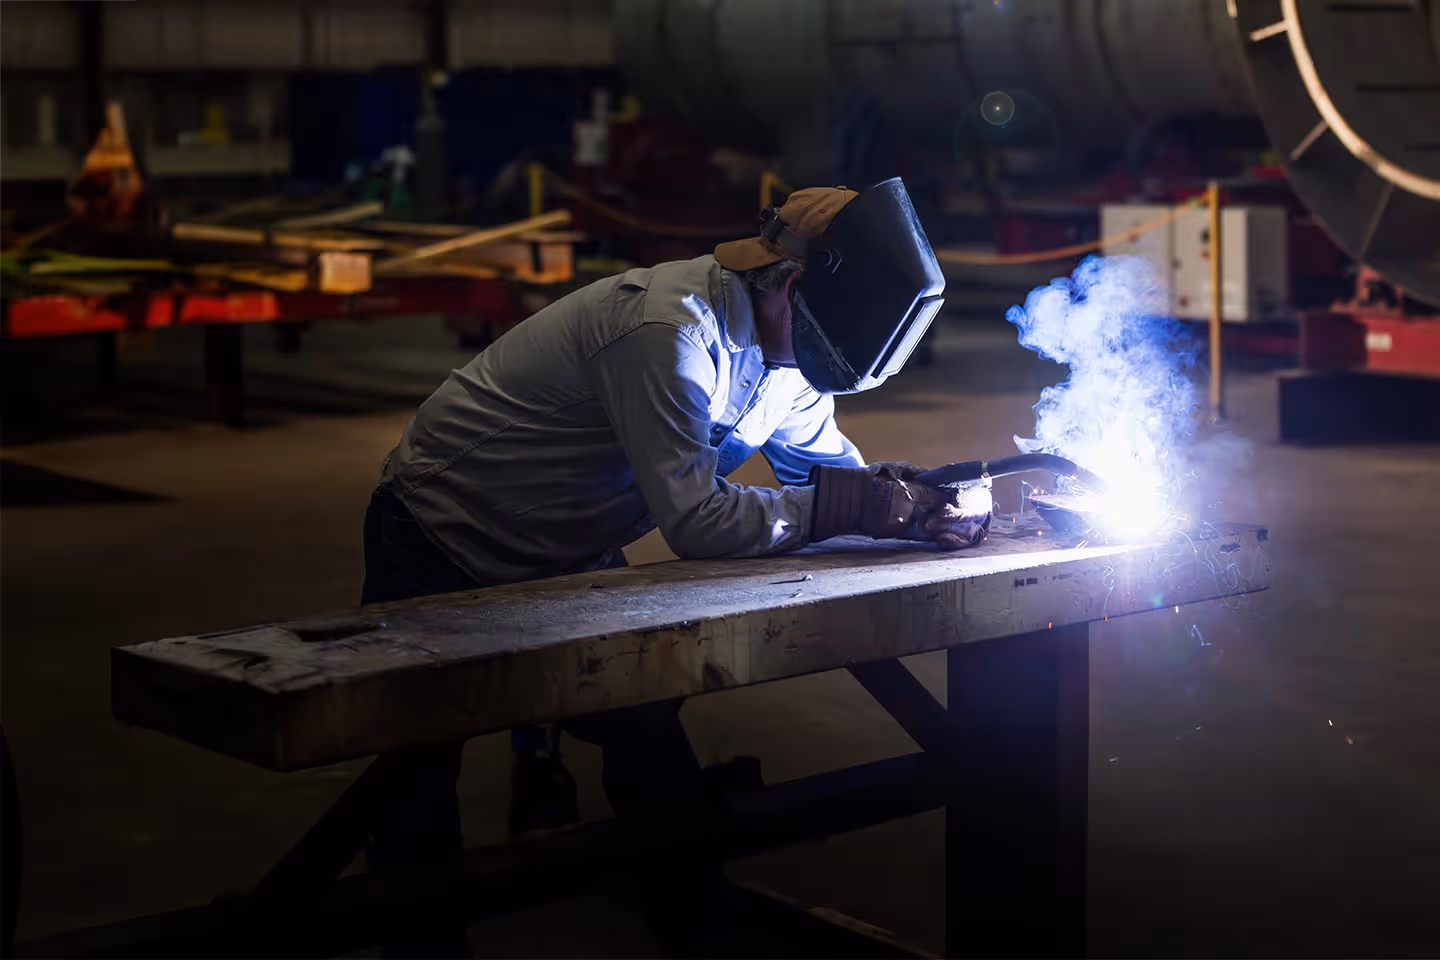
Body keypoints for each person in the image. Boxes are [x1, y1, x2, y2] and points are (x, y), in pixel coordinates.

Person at [362, 178, 983, 954]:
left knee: (645, 720)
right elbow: (697, 520)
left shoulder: (788, 361)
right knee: (418, 771)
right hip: (439, 531)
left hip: (569, 545)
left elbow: (828, 477)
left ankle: (692, 921)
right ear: (791, 285)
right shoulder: (668, 330)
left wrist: (917, 507)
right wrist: (854, 508)